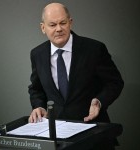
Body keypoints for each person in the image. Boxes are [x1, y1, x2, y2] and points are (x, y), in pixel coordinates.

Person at [28, 2, 124, 149]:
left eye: (63, 23)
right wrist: (39, 106)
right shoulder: (37, 54)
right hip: (58, 138)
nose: (59, 29)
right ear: (43, 28)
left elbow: (115, 82)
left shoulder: (94, 49)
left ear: (70, 23)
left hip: (94, 135)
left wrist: (99, 101)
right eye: (52, 25)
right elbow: (36, 89)